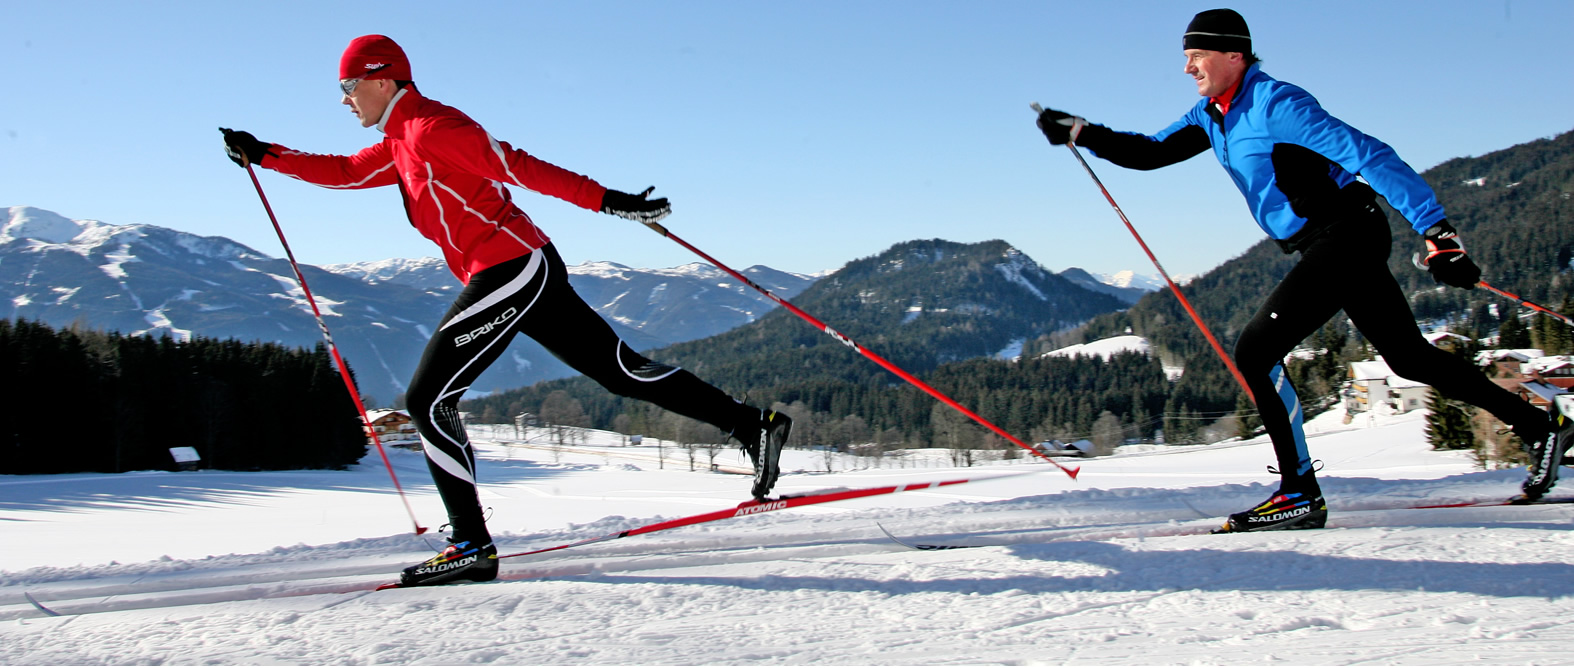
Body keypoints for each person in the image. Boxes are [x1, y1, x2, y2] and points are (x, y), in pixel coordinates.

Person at [221, 35, 791, 585]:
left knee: (426, 399)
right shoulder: (399, 141)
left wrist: (607, 200)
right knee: (619, 370)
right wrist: (265, 153)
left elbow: (515, 165)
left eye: (348, 85)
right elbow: (344, 172)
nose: (344, 99)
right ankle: (753, 426)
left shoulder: (432, 127)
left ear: (382, 78)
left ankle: (470, 546)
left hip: (511, 265)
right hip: (521, 265)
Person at [1034, 9, 1569, 532]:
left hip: (1346, 233)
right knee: (1408, 359)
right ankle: (1542, 427)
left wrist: (1438, 232)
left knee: (1255, 350)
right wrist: (1082, 131)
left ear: (1233, 55)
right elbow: (1151, 153)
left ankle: (1298, 492)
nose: (1187, 67)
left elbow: (1371, 154)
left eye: (1196, 56)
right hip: (1329, 240)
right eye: (1186, 57)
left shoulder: (1277, 103)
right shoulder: (1212, 114)